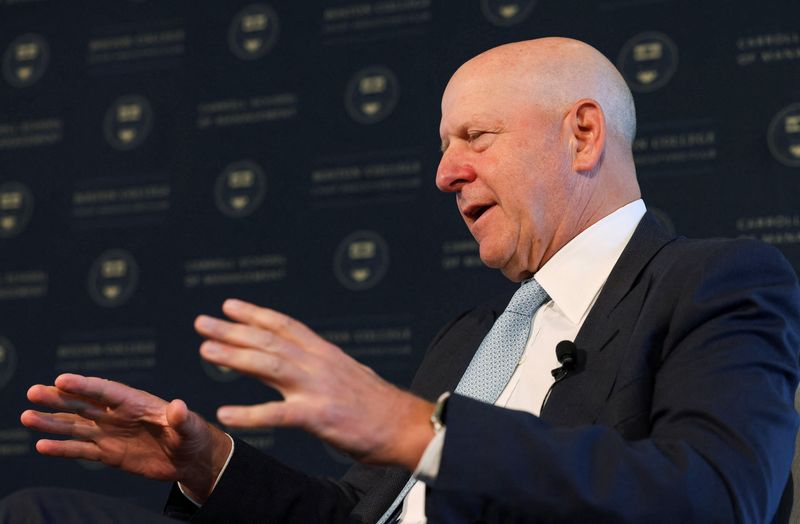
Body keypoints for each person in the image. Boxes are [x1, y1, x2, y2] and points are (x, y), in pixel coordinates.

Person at [4, 37, 799, 523]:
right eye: (445, 144)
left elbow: (719, 498)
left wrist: (422, 431)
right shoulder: (475, 335)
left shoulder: (713, 281)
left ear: (583, 133)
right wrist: (212, 464)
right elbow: (362, 513)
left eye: (476, 138)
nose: (447, 172)